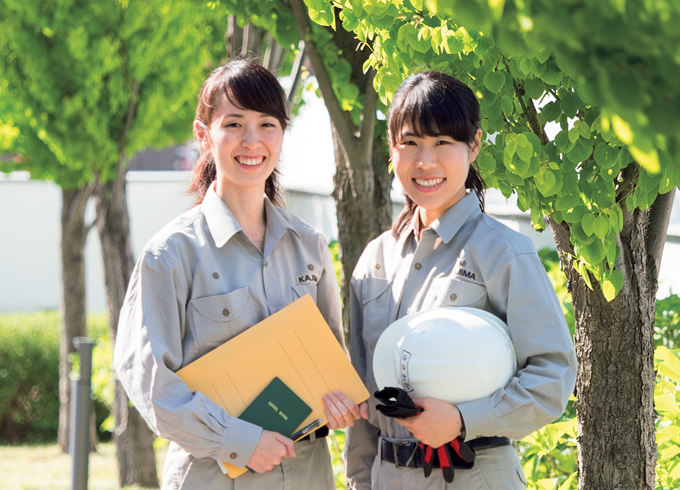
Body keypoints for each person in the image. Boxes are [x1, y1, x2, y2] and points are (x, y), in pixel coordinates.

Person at [114, 59, 366, 490]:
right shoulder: (171, 254)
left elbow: (330, 365)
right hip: (213, 478)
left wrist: (339, 406)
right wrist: (239, 440)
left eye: (267, 124)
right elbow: (150, 382)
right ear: (203, 135)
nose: (252, 141)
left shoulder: (310, 247)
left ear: (282, 134)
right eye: (234, 123)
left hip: (307, 475)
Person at [345, 71, 577, 489]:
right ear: (392, 148)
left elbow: (552, 377)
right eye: (410, 142)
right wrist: (360, 480)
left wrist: (462, 419)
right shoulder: (375, 259)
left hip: (475, 474)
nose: (425, 161)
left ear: (473, 146)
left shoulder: (503, 252)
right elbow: (365, 393)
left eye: (443, 143)